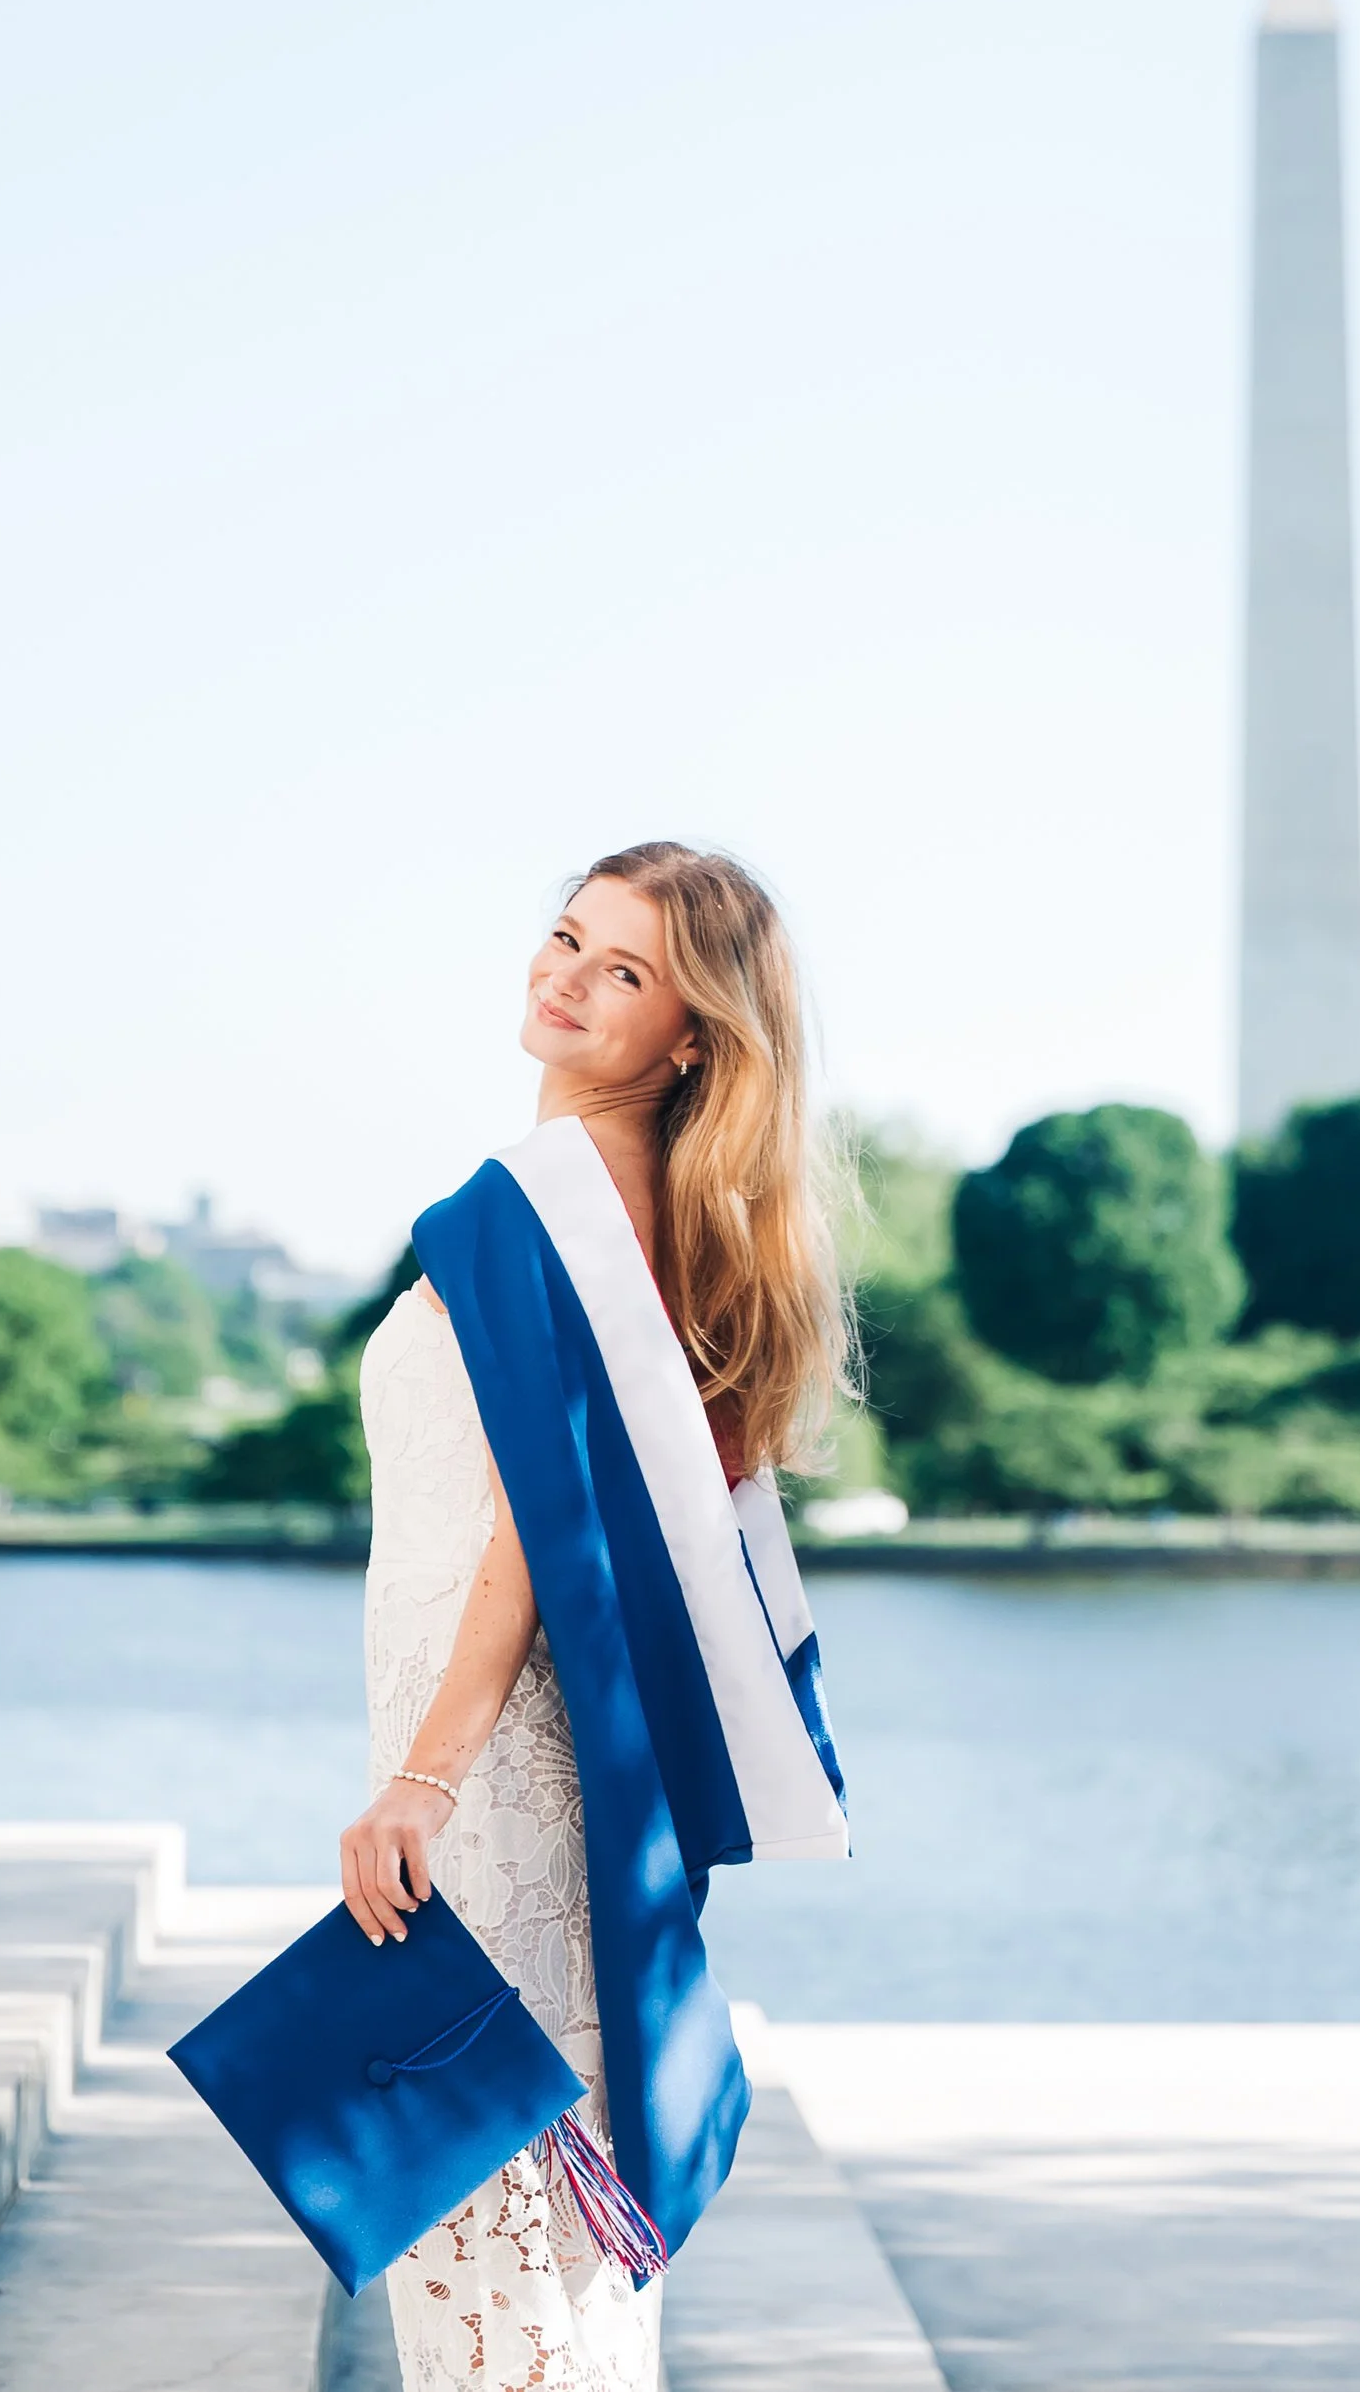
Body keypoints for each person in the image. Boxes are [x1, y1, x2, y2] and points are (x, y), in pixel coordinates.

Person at [344, 839, 850, 2392]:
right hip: (549, 1772)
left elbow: (529, 1532)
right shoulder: (684, 1219)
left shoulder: (546, 1209)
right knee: (552, 2229)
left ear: (692, 1034)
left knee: (481, 2243)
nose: (563, 976)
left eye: (620, 969)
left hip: (481, 1771)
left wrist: (421, 1774)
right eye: (566, 936)